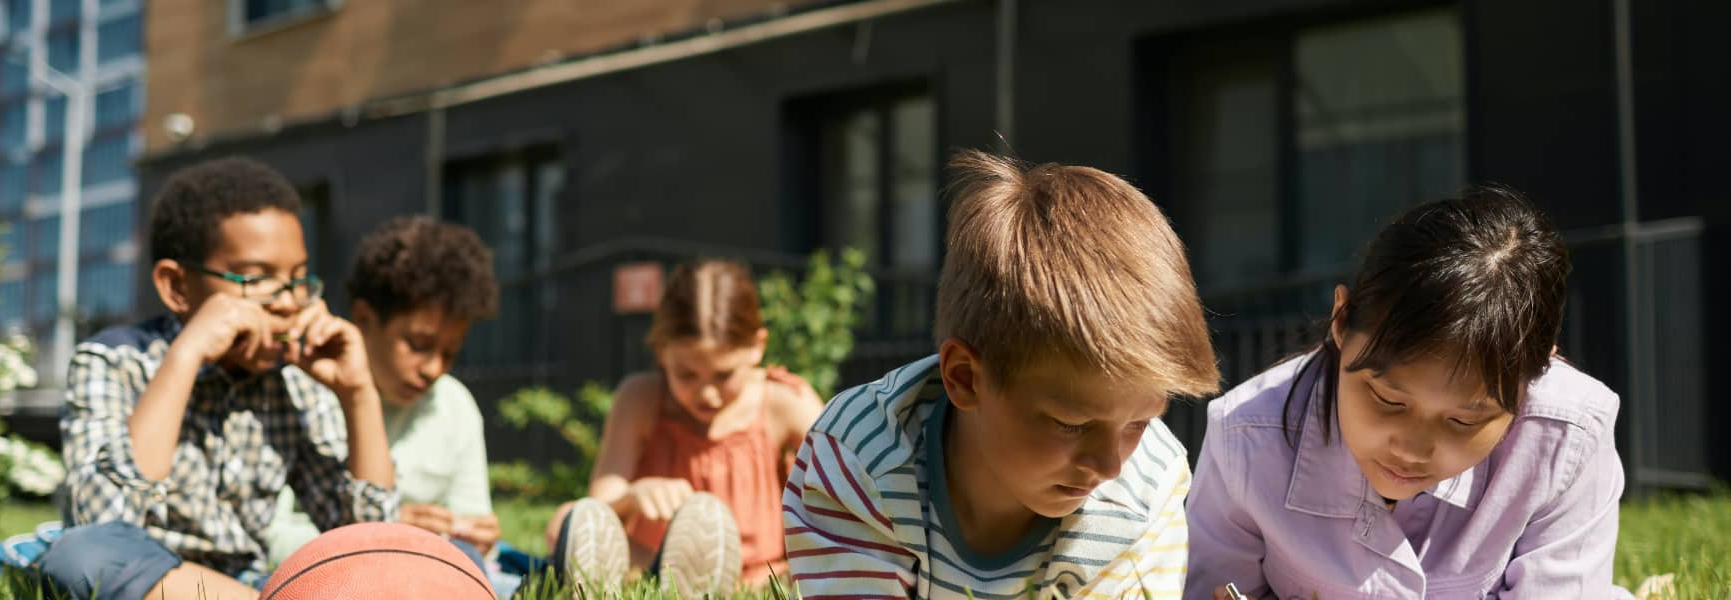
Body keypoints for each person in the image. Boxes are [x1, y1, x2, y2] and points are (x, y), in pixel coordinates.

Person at [783, 151, 1220, 599]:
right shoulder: (861, 455)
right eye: (1071, 423)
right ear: (965, 379)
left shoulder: (1143, 491)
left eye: (1138, 424)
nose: (1109, 466)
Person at [1185, 187, 1632, 599]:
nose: (1413, 449)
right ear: (1341, 321)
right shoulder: (1246, 438)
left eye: (1463, 420)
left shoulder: (1568, 438)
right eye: (1388, 400)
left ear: (1538, 372)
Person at [36, 157, 398, 600]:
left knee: (437, 559)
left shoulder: (297, 379)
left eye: (299, 278)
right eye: (257, 278)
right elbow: (100, 518)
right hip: (145, 574)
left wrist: (358, 393)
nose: (289, 302)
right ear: (177, 288)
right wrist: (185, 355)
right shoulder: (113, 361)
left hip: (241, 584)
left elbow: (370, 543)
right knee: (80, 556)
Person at [261, 215, 518, 597]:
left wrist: (477, 533)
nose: (433, 368)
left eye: (449, 353)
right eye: (418, 344)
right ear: (364, 319)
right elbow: (268, 533)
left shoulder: (453, 404)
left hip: (439, 566)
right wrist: (389, 535)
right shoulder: (300, 394)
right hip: (337, 574)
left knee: (506, 571)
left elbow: (472, 518)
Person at [538, 259, 823, 596]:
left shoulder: (786, 401)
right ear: (661, 352)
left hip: (760, 573)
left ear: (757, 346)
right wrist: (633, 495)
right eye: (687, 375)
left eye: (724, 375)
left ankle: (712, 582)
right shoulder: (640, 398)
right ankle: (655, 582)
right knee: (567, 520)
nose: (708, 393)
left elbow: (847, 495)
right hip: (650, 564)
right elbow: (598, 511)